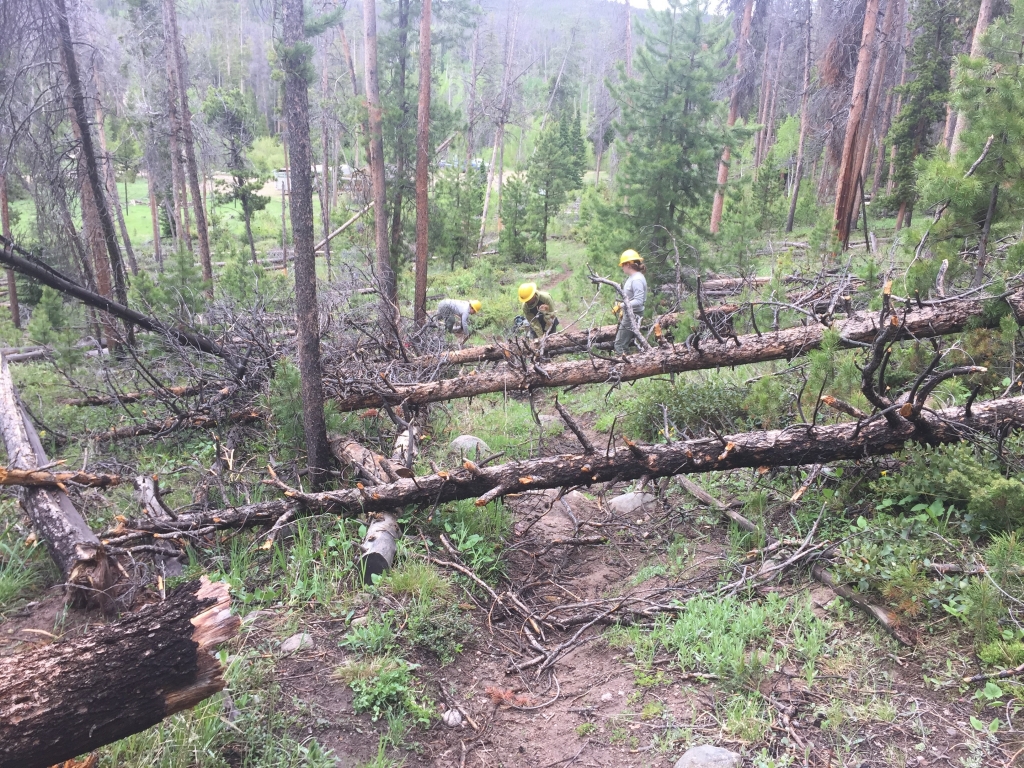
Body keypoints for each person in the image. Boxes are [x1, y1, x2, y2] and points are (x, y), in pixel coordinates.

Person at [612, 249, 647, 353]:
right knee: (622, 343)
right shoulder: (633, 277)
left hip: (634, 314)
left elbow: (639, 301)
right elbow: (631, 299)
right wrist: (625, 309)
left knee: (620, 345)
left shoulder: (636, 280)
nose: (622, 267)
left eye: (623, 264)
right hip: (630, 313)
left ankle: (625, 366)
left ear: (628, 264)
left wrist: (621, 305)